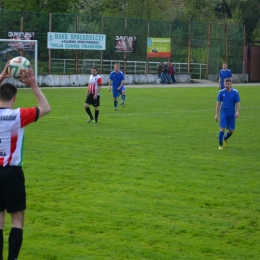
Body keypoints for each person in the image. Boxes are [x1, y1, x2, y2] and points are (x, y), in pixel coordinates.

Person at [0, 62, 51, 259]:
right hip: (12, 173)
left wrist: (2, 76)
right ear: (14, 98)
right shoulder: (18, 115)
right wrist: (33, 85)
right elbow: (45, 108)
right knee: (17, 221)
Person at [215, 78, 240, 150]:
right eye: (226, 84)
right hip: (223, 113)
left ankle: (225, 138)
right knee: (222, 128)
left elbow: (238, 103)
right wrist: (216, 114)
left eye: (228, 84)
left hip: (231, 113)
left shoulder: (235, 92)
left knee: (231, 131)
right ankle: (220, 145)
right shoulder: (221, 92)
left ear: (231, 84)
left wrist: (237, 111)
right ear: (224, 84)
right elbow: (218, 103)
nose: (227, 85)